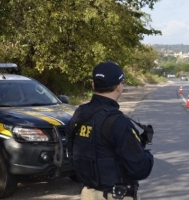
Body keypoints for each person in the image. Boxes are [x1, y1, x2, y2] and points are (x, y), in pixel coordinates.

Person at [66, 61, 154, 200]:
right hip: (115, 195)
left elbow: (72, 156)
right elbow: (140, 169)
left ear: (93, 85)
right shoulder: (117, 122)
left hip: (88, 194)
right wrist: (147, 155)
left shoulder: (79, 114)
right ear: (119, 87)